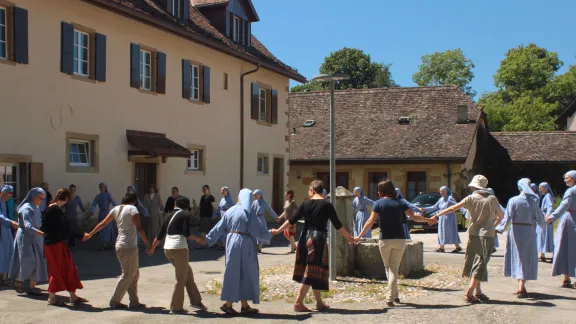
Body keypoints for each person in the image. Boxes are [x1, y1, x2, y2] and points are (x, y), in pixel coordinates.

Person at [272, 180, 354, 312]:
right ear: (321, 191)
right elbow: (338, 225)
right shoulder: (327, 205)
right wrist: (350, 238)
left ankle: (319, 303)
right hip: (317, 239)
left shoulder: (305, 203)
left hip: (304, 238)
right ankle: (298, 302)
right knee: (312, 271)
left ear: (312, 190)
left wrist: (277, 231)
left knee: (314, 270)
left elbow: (290, 220)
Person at [356, 180, 436, 307]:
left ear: (382, 191)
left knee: (390, 268)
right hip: (400, 239)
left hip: (385, 239)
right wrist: (428, 220)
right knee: (392, 268)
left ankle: (389, 297)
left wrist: (359, 236)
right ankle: (396, 295)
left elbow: (370, 221)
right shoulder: (401, 202)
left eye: (378, 190)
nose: (377, 192)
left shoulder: (378, 203)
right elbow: (414, 217)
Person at [196, 189, 270, 315]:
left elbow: (219, 227)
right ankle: (233, 304)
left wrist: (208, 239)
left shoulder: (230, 210)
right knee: (246, 272)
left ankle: (240, 304)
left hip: (231, 242)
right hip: (245, 243)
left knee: (232, 272)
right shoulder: (249, 213)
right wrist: (268, 235)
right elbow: (257, 231)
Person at [431, 175, 503, 304]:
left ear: (474, 186)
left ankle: (478, 291)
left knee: (476, 261)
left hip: (473, 233)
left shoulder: (471, 198)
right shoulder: (492, 199)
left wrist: (436, 215)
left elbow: (453, 208)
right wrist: (493, 226)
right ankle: (469, 292)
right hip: (487, 234)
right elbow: (501, 216)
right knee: (481, 262)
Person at [84, 192, 151, 309]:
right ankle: (115, 301)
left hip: (120, 245)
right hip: (129, 246)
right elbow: (139, 228)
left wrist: (90, 234)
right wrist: (148, 244)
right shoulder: (132, 209)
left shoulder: (116, 209)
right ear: (134, 201)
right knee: (128, 274)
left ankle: (134, 301)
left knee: (134, 274)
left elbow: (103, 223)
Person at [147, 196, 206, 314]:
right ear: (186, 206)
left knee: (187, 273)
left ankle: (196, 301)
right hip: (179, 248)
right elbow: (186, 233)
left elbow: (160, 235)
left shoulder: (168, 215)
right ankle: (176, 306)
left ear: (175, 204)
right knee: (181, 278)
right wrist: (199, 239)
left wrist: (152, 248)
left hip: (167, 249)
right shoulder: (185, 215)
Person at [495, 179, 546, 298]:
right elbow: (539, 218)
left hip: (515, 230)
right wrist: (544, 225)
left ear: (519, 187)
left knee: (518, 256)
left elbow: (507, 217)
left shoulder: (513, 200)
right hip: (528, 231)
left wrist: (500, 228)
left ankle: (520, 286)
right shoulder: (533, 201)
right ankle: (521, 285)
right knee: (525, 257)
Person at [41, 188, 86, 306]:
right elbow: (64, 228)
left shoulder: (49, 209)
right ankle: (57, 298)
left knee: (58, 268)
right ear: (66, 198)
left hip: (49, 244)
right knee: (66, 268)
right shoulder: (56, 210)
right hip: (57, 244)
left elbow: (44, 227)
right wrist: (80, 235)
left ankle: (68, 296)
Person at [9, 188, 48, 295]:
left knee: (39, 260)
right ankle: (18, 280)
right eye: (40, 198)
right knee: (28, 261)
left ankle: (32, 287)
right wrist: (41, 233)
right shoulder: (26, 208)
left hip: (36, 236)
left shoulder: (36, 207)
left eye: (43, 199)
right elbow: (28, 225)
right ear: (34, 197)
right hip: (26, 237)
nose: (42, 201)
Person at [545, 171, 576, 288]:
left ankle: (566, 277)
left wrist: (552, 217)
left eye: (567, 178)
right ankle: (567, 277)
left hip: (570, 221)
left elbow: (564, 205)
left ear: (573, 179)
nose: (565, 180)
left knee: (565, 247)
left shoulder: (571, 191)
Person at [421, 186, 462, 253]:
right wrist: (425, 209)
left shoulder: (450, 198)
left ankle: (457, 247)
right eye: (440, 191)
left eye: (442, 191)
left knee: (451, 232)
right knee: (441, 232)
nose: (441, 192)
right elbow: (434, 207)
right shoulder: (441, 199)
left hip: (449, 218)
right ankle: (442, 248)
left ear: (446, 191)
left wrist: (465, 212)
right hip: (442, 217)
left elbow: (457, 206)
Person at [90, 182, 118, 250]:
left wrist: (118, 209)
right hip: (101, 214)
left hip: (107, 213)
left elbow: (113, 202)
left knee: (109, 229)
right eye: (100, 186)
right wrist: (92, 210)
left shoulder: (108, 195)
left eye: (103, 186)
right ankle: (103, 244)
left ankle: (110, 243)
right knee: (102, 229)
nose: (101, 188)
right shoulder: (98, 196)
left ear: (105, 188)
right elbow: (94, 204)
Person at [0, 185, 18, 286]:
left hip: (5, 230)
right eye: (7, 195)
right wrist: (10, 222)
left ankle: (4, 275)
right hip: (3, 230)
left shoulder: (3, 202)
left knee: (7, 252)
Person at [537, 182, 555, 262]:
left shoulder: (547, 196)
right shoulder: (546, 196)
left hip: (545, 218)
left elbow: (550, 206)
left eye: (541, 188)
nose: (539, 190)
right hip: (543, 217)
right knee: (542, 236)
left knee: (545, 236)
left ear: (545, 188)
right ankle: (542, 255)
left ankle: (551, 255)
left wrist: (548, 215)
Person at [64, 184, 85, 249]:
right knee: (68, 231)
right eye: (70, 189)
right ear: (69, 190)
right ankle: (69, 244)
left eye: (73, 190)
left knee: (73, 231)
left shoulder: (77, 198)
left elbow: (81, 206)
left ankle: (73, 244)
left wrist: (86, 212)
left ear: (75, 190)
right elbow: (62, 206)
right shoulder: (66, 198)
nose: (72, 191)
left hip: (74, 217)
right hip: (67, 216)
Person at [486, 188, 502, 254]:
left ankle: (491, 247)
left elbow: (501, 211)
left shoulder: (494, 201)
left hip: (492, 220)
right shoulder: (489, 200)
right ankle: (491, 247)